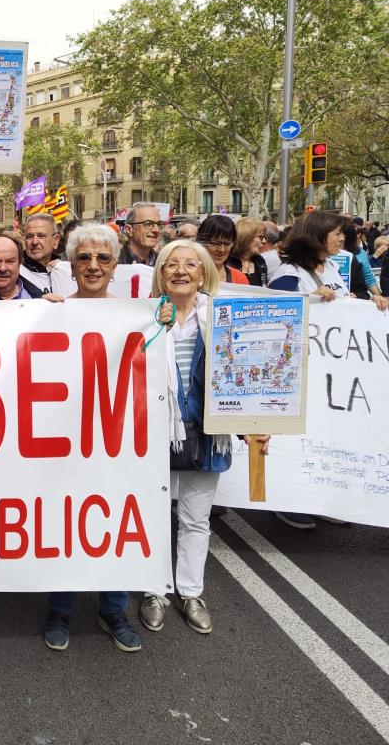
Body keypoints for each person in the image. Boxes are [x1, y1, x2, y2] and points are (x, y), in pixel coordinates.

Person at [138, 240, 270, 635]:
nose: (180, 271)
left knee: (195, 520)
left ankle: (191, 592)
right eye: (171, 265)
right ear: (160, 274)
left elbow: (248, 372)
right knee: (154, 517)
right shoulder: (142, 316)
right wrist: (151, 327)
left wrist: (254, 424)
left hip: (207, 433)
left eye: (189, 264)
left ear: (203, 273)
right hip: (153, 435)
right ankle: (153, 592)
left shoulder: (223, 318)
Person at [42, 224, 142, 653]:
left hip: (119, 442)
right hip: (64, 444)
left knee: (117, 522)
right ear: (71, 265)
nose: (93, 266)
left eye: (103, 258)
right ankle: (60, 609)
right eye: (84, 258)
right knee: (66, 523)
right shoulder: (54, 310)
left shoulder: (137, 315)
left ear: (116, 267)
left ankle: (113, 608)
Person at [268, 212, 388, 528]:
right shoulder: (289, 275)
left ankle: (320, 497)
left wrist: (367, 306)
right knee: (296, 439)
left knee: (326, 435)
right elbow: (276, 317)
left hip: (330, 374)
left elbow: (342, 310)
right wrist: (309, 299)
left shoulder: (332, 266)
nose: (342, 240)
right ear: (317, 235)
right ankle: (287, 500)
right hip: (302, 373)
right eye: (336, 233)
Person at [19, 213, 71, 295]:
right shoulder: (15, 274)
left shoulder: (69, 271)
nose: (35, 242)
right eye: (29, 236)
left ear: (56, 240)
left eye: (41, 236)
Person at [198, 216, 249, 284]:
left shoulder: (239, 278)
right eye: (215, 243)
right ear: (201, 242)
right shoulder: (190, 275)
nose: (221, 250)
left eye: (227, 244)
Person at [229, 217, 270, 286]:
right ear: (246, 237)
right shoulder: (227, 262)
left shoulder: (260, 261)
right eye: (261, 237)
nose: (264, 241)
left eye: (265, 237)